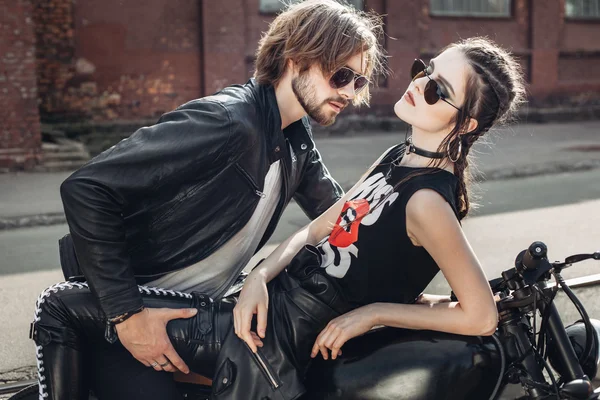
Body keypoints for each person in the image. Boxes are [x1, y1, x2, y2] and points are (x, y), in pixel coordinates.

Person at [30, 36, 525, 400]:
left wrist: (373, 313)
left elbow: (478, 315)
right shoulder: (396, 158)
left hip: (273, 340)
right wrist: (261, 275)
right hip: (260, 309)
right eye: (425, 68)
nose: (419, 84)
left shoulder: (428, 202)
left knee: (59, 306)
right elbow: (317, 227)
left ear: (467, 124)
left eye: (438, 89)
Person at [49, 0, 384, 397]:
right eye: (341, 75)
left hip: (194, 318)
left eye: (358, 82)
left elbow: (343, 218)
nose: (348, 92)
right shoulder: (227, 122)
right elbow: (87, 188)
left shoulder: (296, 139)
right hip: (126, 313)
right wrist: (127, 316)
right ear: (297, 57)